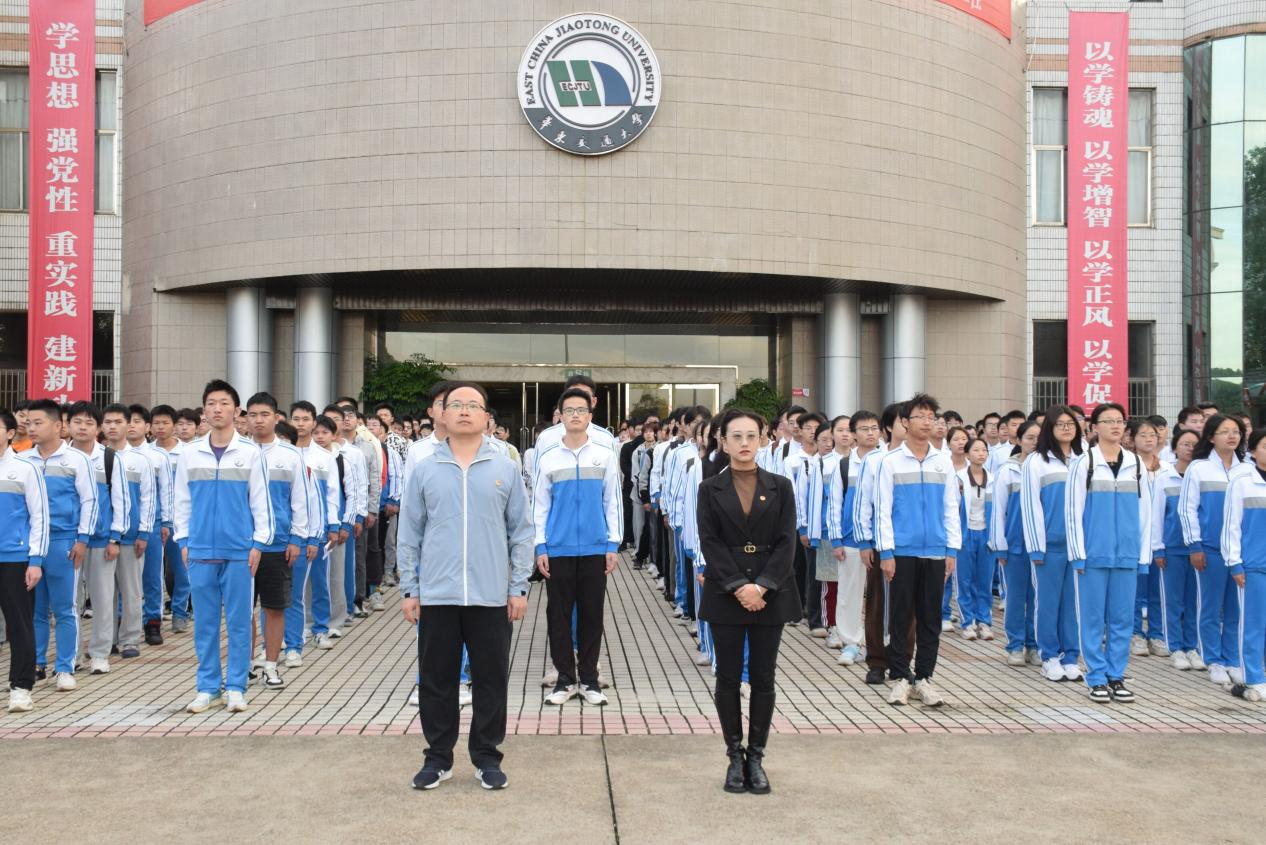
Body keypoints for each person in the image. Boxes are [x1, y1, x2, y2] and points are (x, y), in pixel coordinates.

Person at [398, 382, 534, 792]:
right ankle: (437, 758)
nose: (463, 411)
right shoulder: (425, 468)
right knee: (436, 679)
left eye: (472, 405)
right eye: (455, 404)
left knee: (491, 680)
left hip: (490, 594)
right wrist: (410, 588)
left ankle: (487, 757)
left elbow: (522, 532)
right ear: (441, 413)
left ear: (486, 416)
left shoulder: (504, 467)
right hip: (437, 594)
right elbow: (409, 533)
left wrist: (518, 586)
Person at [696, 409, 800, 794]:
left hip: (770, 592)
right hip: (727, 591)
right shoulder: (709, 488)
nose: (744, 443)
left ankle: (756, 756)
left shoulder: (780, 486)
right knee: (727, 676)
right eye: (736, 436)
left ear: (763, 439)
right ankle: (734, 756)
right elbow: (710, 541)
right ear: (722, 442)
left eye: (751, 436)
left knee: (763, 676)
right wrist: (740, 585)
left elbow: (787, 542)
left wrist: (763, 586)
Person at [174, 380, 273, 714]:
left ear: (236, 410)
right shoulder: (189, 453)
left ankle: (236, 687)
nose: (217, 409)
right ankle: (207, 687)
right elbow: (180, 501)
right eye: (212, 403)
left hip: (239, 551)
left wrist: (258, 543)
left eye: (224, 403)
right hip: (200, 550)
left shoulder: (250, 453)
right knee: (204, 623)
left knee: (239, 622)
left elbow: (261, 502)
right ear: (204, 410)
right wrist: (184, 540)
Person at [534, 388, 622, 706]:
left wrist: (613, 543)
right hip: (558, 549)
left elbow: (613, 502)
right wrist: (540, 546)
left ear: (590, 415)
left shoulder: (605, 455)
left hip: (595, 549)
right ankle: (565, 681)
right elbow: (539, 506)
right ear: (560, 415)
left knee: (591, 616)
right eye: (569, 410)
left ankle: (589, 680)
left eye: (580, 410)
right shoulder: (548, 457)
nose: (575, 415)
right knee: (558, 617)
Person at [874, 395, 960, 707]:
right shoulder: (890, 462)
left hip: (936, 551)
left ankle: (924, 677)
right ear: (904, 422)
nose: (927, 422)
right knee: (900, 616)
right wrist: (886, 552)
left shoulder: (943, 461)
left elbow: (951, 508)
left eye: (931, 416)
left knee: (930, 618)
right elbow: (883, 510)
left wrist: (952, 549)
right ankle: (900, 677)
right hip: (902, 551)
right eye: (920, 416)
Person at [1066, 403, 1151, 703]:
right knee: (1091, 619)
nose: (1116, 426)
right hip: (1093, 555)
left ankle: (1116, 674)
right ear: (1094, 427)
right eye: (1108, 421)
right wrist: (1078, 553)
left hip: (1127, 555)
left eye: (1120, 421)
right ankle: (1096, 676)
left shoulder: (1136, 464)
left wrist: (1143, 556)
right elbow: (1072, 512)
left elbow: (1146, 513)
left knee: (1122, 620)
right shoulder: (1084, 463)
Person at [20, 399, 97, 690]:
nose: (31, 428)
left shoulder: (77, 460)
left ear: (57, 426)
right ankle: (37, 663)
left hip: (63, 542)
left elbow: (89, 501)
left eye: (38, 423)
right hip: (30, 544)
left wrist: (82, 540)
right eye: (28, 423)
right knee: (36, 609)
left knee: (65, 608)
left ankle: (65, 667)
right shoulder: (23, 460)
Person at [245, 393, 311, 690]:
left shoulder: (291, 455)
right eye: (253, 415)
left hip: (278, 544)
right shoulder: (239, 452)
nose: (258, 420)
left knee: (274, 607)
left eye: (264, 414)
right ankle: (245, 665)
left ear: (276, 418)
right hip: (243, 545)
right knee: (242, 611)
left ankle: (271, 666)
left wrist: (297, 538)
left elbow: (300, 501)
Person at [1179, 413, 1250, 686]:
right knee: (1210, 607)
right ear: (1210, 437)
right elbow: (1187, 509)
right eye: (1225, 431)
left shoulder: (1247, 469)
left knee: (1235, 609)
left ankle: (1232, 659)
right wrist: (1194, 545)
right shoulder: (1199, 468)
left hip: (1241, 552)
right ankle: (1214, 660)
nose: (1232, 436)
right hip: (1210, 549)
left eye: (1236, 431)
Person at [1021, 406, 1084, 683]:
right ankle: (1049, 656)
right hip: (1049, 545)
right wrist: (1036, 545)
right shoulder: (1036, 462)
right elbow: (1030, 506)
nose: (1067, 428)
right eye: (1060, 424)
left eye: (1071, 423)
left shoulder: (1085, 459)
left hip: (1078, 546)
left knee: (1073, 604)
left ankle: (1071, 656)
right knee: (1048, 602)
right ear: (1050, 428)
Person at [67, 402, 130, 674]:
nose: (82, 427)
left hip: (101, 540)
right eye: (77, 422)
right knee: (69, 602)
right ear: (67, 425)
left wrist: (115, 538)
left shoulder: (109, 458)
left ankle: (100, 654)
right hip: (68, 540)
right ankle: (72, 655)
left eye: (89, 423)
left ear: (98, 428)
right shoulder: (61, 457)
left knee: (103, 599)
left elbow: (121, 500)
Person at [286, 404, 344, 663]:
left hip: (318, 531)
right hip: (289, 532)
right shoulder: (284, 454)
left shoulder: (324, 456)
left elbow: (332, 495)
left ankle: (320, 629)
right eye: (296, 418)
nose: (300, 423)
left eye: (305, 419)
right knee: (290, 588)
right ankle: (291, 635)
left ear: (313, 422)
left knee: (320, 582)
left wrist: (334, 525)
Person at [0, 409, 49, 712]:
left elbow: (40, 516)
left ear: (9, 433)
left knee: (19, 625)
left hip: (15, 558)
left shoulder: (26, 468)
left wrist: (35, 560)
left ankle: (21, 687)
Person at [103, 404, 157, 659]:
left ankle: (130, 639)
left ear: (128, 425)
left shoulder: (140, 460)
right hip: (102, 537)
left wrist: (144, 533)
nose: (113, 427)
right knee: (105, 594)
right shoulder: (95, 457)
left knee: (131, 591)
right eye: (108, 422)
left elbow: (148, 499)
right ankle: (108, 639)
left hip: (131, 537)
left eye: (118, 422)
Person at [852, 402, 901, 685]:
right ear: (890, 428)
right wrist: (865, 542)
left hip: (911, 546)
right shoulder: (874, 460)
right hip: (880, 544)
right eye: (906, 421)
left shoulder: (929, 458)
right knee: (877, 604)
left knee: (907, 606)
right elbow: (863, 505)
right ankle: (877, 661)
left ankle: (901, 661)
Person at [826, 411, 878, 666]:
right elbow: (835, 504)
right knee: (849, 593)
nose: (870, 433)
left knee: (879, 598)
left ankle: (877, 644)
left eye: (874, 428)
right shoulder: (845, 465)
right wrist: (836, 540)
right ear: (855, 434)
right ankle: (850, 643)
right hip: (850, 540)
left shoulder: (886, 461)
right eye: (864, 428)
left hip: (881, 541)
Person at [1151, 428, 1204, 671]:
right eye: (1185, 444)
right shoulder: (1165, 478)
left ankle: (1192, 647)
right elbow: (1156, 516)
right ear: (1174, 448)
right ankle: (1175, 648)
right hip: (1172, 548)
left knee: (1195, 601)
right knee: (1172, 601)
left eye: (1194, 444)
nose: (1190, 448)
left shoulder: (1202, 477)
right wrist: (1158, 548)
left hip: (1199, 549)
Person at [989, 420, 1040, 666]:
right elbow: (998, 510)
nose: (1035, 442)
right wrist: (999, 544)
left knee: (1038, 599)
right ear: (1018, 440)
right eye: (1029, 438)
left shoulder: (1047, 468)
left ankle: (1035, 645)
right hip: (1015, 544)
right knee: (1017, 597)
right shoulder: (1008, 470)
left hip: (1041, 546)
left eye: (1039, 438)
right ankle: (1015, 645)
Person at [1221, 428, 1266, 701]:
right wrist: (1235, 563)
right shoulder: (1242, 481)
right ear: (1252, 451)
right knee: (1253, 624)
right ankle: (1254, 677)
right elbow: (1232, 526)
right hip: (1254, 565)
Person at [126, 404, 174, 647]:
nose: (131, 425)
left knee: (152, 575)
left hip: (153, 524)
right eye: (128, 421)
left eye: (137, 421)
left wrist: (166, 521)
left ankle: (152, 621)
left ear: (147, 427)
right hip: (123, 527)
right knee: (123, 579)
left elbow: (166, 490)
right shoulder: (114, 454)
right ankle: (123, 622)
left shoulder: (158, 456)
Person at [1129, 419, 1168, 657]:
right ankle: (1135, 634)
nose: (1148, 439)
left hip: (1161, 539)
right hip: (1136, 537)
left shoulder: (1167, 469)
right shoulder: (1128, 467)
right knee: (1135, 590)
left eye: (1152, 435)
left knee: (1158, 590)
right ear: (1132, 439)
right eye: (1142, 435)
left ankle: (1157, 634)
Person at [955, 438, 994, 641]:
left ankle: (984, 622)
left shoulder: (993, 479)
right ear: (967, 454)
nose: (981, 453)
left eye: (984, 450)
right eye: (976, 450)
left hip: (986, 534)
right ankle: (967, 622)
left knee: (984, 581)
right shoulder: (959, 478)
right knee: (964, 581)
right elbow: (952, 508)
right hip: (965, 533)